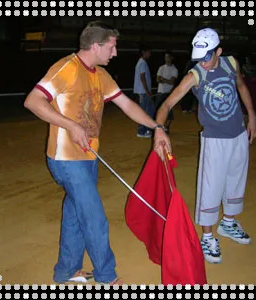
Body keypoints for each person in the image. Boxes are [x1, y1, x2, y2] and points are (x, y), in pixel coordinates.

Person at [24, 21, 171, 285]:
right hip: (66, 160)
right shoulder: (66, 68)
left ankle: (66, 271)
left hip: (89, 157)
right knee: (94, 217)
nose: (115, 53)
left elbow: (126, 104)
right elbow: (33, 101)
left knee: (75, 214)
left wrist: (157, 126)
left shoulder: (100, 75)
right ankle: (106, 276)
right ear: (96, 46)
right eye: (112, 47)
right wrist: (70, 125)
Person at [154, 28, 256, 264]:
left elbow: (241, 87)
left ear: (218, 51)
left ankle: (229, 223)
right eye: (199, 57)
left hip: (239, 134)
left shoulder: (231, 63)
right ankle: (208, 236)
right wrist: (159, 129)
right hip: (214, 140)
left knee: (236, 179)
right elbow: (166, 104)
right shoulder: (195, 75)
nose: (203, 62)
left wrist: (251, 115)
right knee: (210, 187)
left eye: (208, 57)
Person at [133, 45, 155, 138]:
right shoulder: (142, 63)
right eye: (148, 52)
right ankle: (141, 131)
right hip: (143, 92)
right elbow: (142, 77)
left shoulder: (141, 62)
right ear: (144, 52)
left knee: (150, 110)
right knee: (144, 112)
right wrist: (147, 91)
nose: (149, 54)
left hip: (144, 92)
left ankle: (146, 129)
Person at [155, 50, 178, 132]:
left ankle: (167, 127)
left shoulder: (174, 69)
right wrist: (166, 80)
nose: (166, 59)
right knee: (158, 110)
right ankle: (160, 126)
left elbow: (172, 82)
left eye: (168, 57)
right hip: (160, 92)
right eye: (165, 57)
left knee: (169, 112)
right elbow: (158, 79)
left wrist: (163, 79)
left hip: (169, 93)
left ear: (171, 58)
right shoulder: (161, 68)